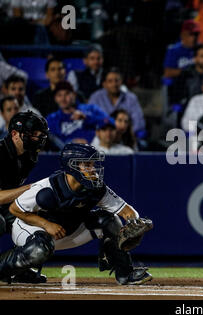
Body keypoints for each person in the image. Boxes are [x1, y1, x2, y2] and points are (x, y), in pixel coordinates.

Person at [0, 143, 153, 285]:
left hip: (66, 232)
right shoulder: (47, 188)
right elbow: (15, 209)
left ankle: (125, 273)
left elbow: (126, 210)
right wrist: (46, 224)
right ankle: (13, 269)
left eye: (92, 164)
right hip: (30, 229)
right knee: (40, 248)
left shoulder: (97, 187)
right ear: (72, 166)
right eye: (87, 164)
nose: (92, 169)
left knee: (109, 220)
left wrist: (134, 221)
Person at [0, 111, 49, 283]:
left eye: (39, 135)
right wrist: (29, 189)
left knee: (32, 218)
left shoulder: (29, 155)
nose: (37, 138)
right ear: (14, 134)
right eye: (32, 134)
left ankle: (18, 268)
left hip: (5, 204)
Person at [46, 81, 112, 145]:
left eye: (67, 94)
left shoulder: (91, 109)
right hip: (67, 153)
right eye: (59, 95)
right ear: (55, 98)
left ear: (74, 95)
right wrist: (71, 142)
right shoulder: (52, 119)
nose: (63, 98)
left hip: (94, 150)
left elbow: (111, 122)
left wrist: (86, 118)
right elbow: (52, 140)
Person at [88, 67, 147, 139]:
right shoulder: (96, 97)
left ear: (121, 82)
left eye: (117, 80)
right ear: (104, 84)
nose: (114, 84)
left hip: (125, 138)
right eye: (110, 81)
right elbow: (89, 120)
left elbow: (139, 123)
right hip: (101, 139)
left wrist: (127, 134)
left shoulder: (131, 98)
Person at [168, 44, 203, 109]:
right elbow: (176, 96)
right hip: (191, 109)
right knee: (191, 119)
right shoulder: (185, 75)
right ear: (195, 58)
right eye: (202, 56)